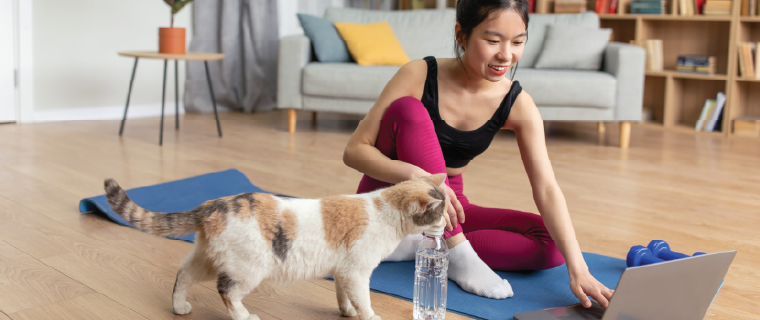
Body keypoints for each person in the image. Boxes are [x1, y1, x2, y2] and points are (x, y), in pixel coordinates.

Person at [342, 0, 615, 308]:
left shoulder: (517, 103)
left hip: (451, 207)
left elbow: (547, 189)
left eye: (518, 41)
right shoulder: (419, 74)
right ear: (462, 35)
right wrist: (418, 176)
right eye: (493, 40)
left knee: (551, 244)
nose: (506, 55)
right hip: (390, 199)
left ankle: (424, 242)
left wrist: (579, 269)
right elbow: (354, 151)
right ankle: (456, 250)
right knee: (407, 109)